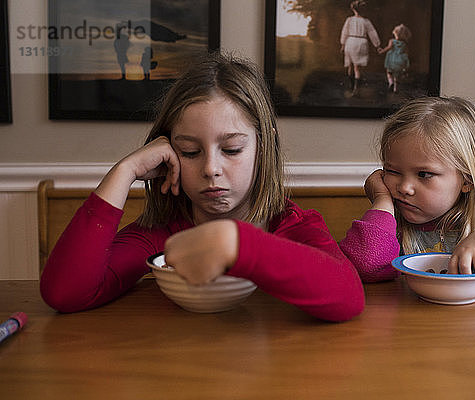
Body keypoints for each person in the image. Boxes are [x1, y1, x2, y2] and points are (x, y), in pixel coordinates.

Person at [40, 52, 365, 322]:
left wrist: (238, 244)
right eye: (190, 152)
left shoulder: (293, 226)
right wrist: (125, 171)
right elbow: (65, 293)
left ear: (263, 147)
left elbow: (348, 298)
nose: (211, 169)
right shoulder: (161, 234)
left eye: (232, 149)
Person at [339, 96, 475, 282]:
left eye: (424, 174)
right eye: (393, 171)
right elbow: (365, 266)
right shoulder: (387, 227)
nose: (404, 188)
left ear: (466, 180)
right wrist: (382, 201)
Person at [340, 0, 381, 95]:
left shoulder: (349, 20)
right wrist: (377, 45)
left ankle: (351, 86)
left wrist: (343, 44)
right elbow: (372, 33)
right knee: (357, 67)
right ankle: (356, 88)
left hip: (350, 42)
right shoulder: (366, 21)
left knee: (350, 65)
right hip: (361, 43)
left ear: (353, 9)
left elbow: (344, 32)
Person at [378, 24, 412, 93]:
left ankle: (391, 83)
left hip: (391, 59)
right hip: (400, 60)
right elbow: (406, 53)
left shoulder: (392, 41)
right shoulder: (404, 43)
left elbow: (388, 48)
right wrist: (406, 62)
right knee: (397, 74)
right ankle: (395, 88)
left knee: (389, 72)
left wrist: (382, 51)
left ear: (395, 32)